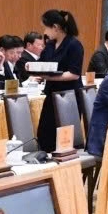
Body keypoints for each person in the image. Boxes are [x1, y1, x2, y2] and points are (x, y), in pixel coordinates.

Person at [33, 9, 84, 153]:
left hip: (69, 96)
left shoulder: (74, 45)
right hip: (51, 93)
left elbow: (74, 74)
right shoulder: (50, 45)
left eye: (46, 27)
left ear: (55, 27)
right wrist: (32, 67)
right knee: (45, 134)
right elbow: (42, 64)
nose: (45, 31)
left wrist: (49, 77)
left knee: (64, 138)